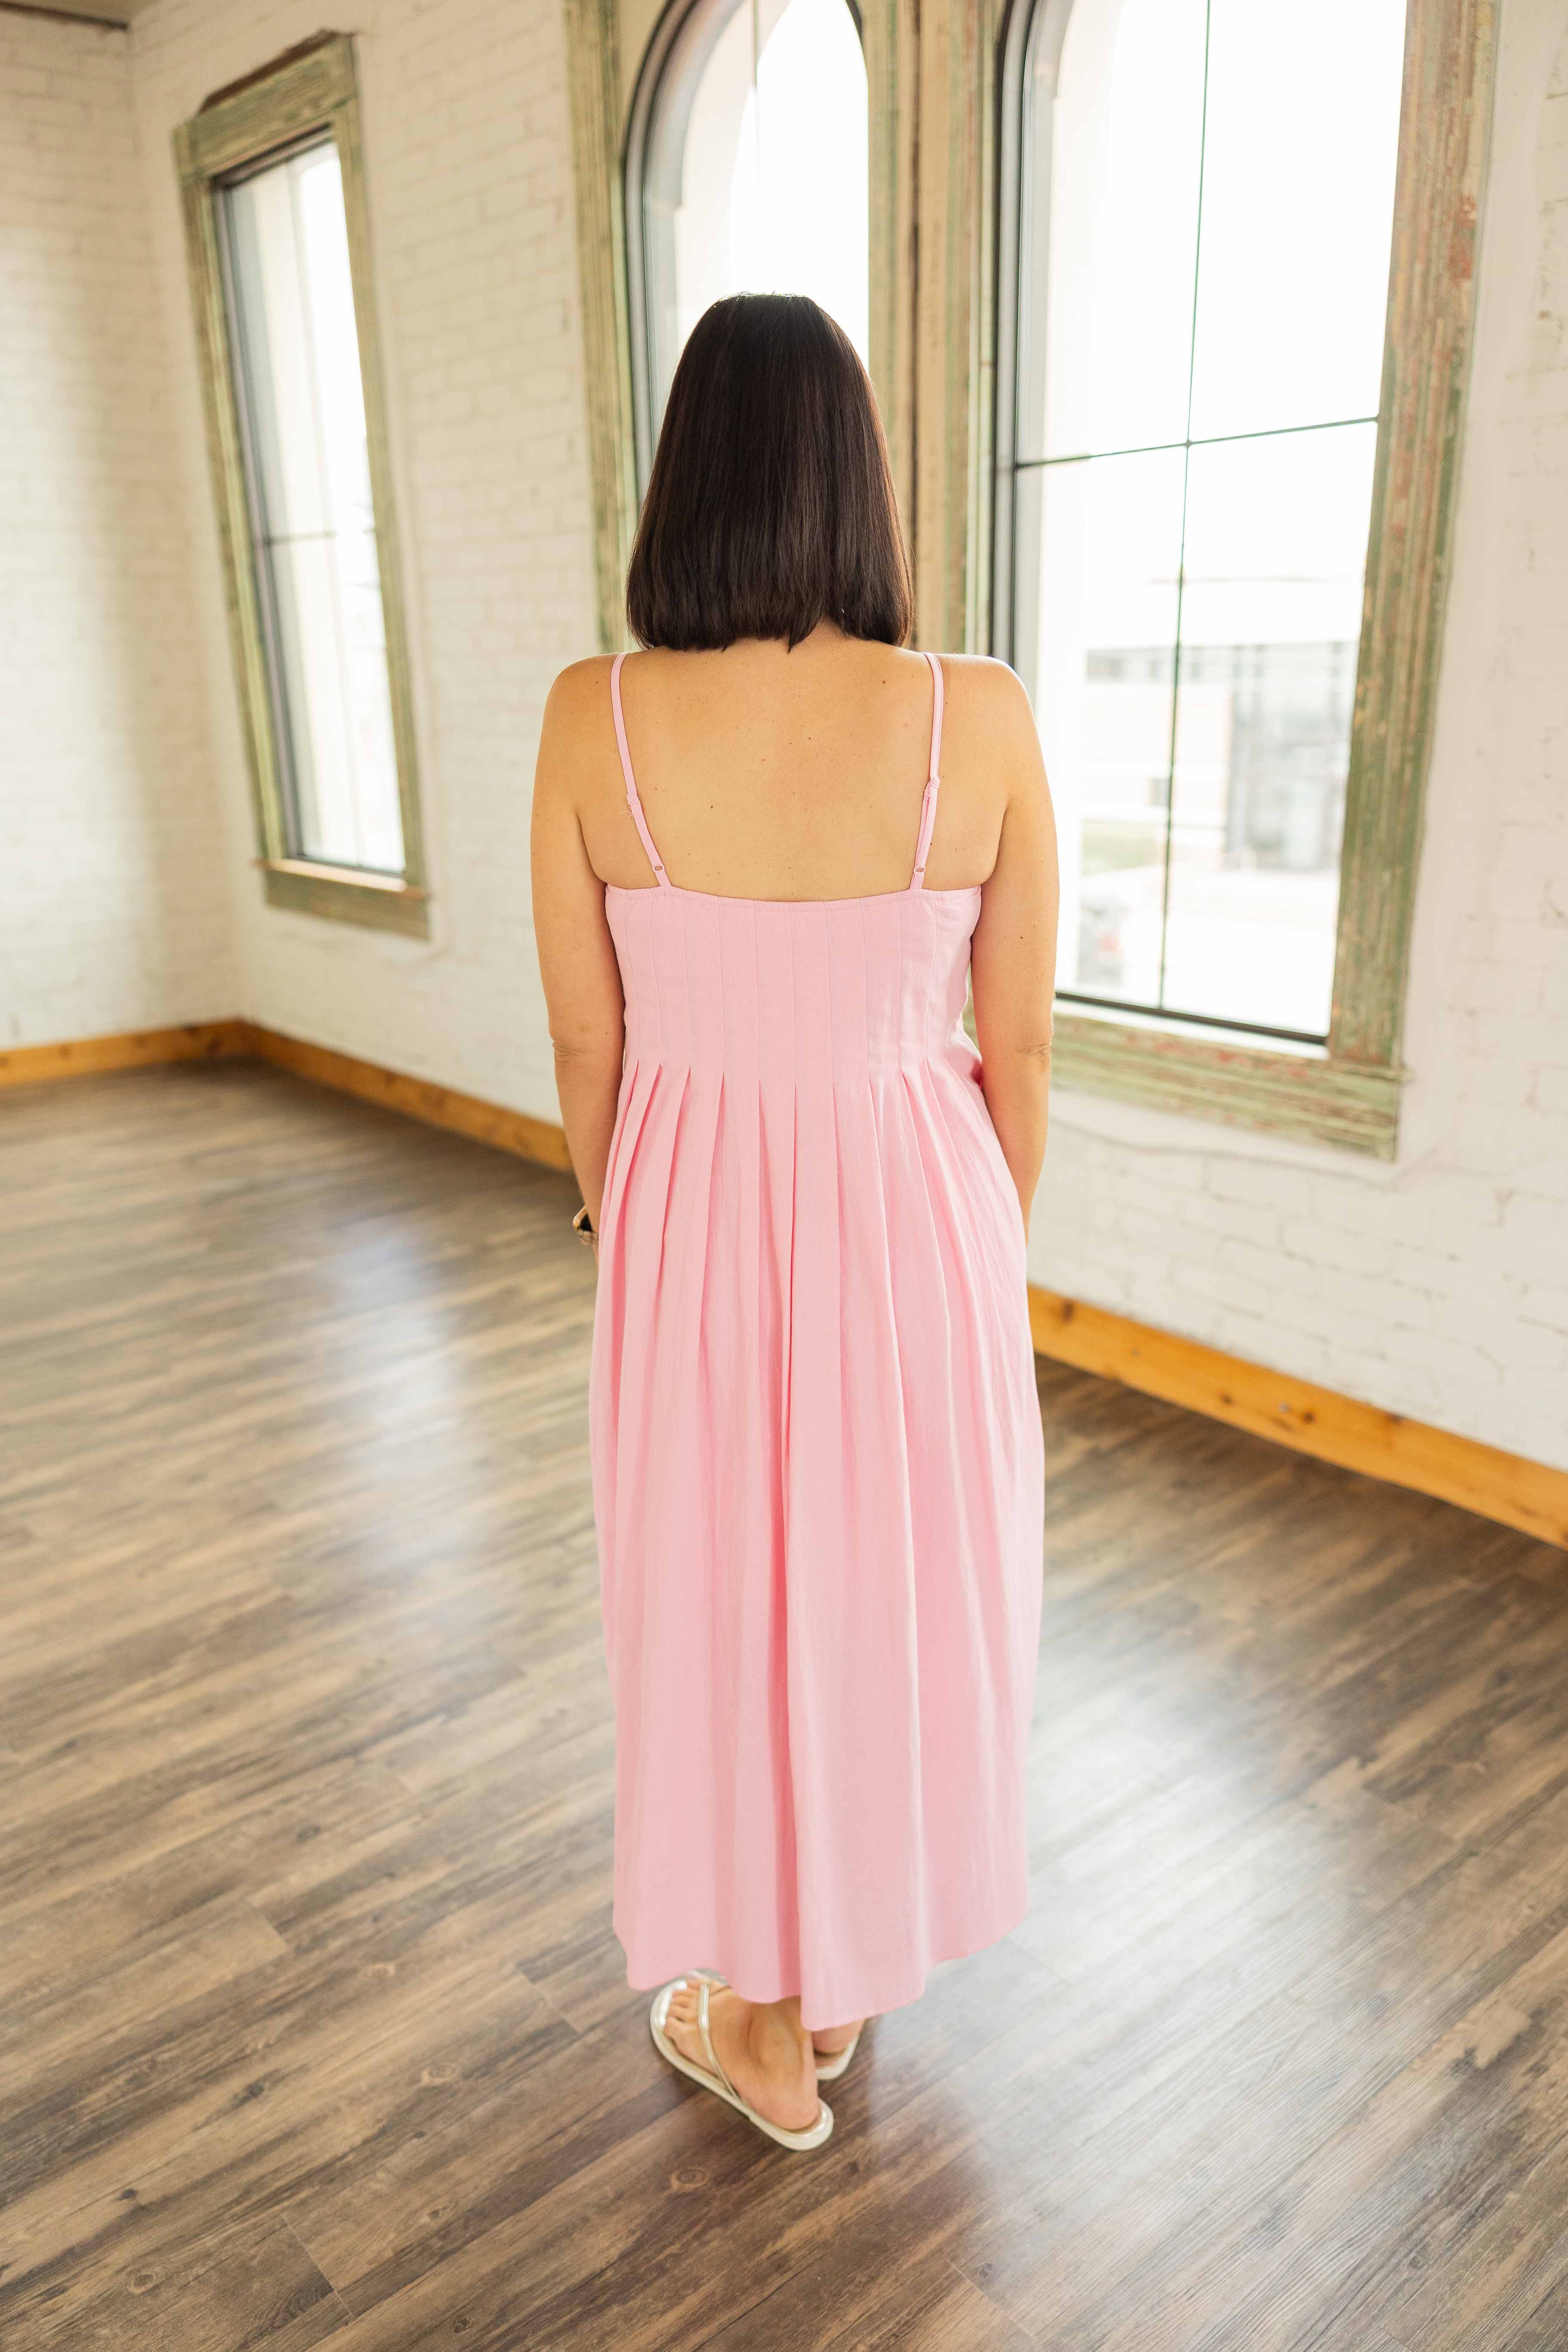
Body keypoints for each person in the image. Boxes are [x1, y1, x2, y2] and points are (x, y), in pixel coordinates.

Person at [531, 292, 1057, 2151]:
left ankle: (760, 2019)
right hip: (924, 1197)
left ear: (685, 479)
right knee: (887, 1587)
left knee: (719, 1597)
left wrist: (619, 1218)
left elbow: (586, 1038)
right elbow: (1019, 1042)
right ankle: (832, 1988)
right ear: (858, 477)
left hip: (686, 1206)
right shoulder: (977, 713)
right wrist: (979, 1239)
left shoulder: (595, 713)